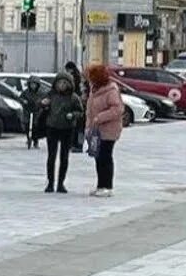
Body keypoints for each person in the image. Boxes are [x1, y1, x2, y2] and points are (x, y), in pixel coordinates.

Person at [85, 63, 125, 198]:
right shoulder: (94, 90)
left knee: (105, 157)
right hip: (96, 130)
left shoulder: (111, 90)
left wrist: (100, 117)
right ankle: (100, 185)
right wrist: (88, 127)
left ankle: (108, 186)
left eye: (91, 76)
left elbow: (117, 109)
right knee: (98, 157)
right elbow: (90, 110)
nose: (89, 79)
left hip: (109, 130)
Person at [40, 73, 83, 193]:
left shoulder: (73, 97)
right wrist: (43, 104)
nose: (62, 85)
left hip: (67, 128)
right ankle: (50, 182)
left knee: (64, 157)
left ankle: (60, 183)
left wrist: (72, 115)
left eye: (65, 83)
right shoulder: (51, 95)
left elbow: (80, 112)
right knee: (51, 156)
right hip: (52, 127)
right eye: (60, 83)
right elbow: (42, 105)